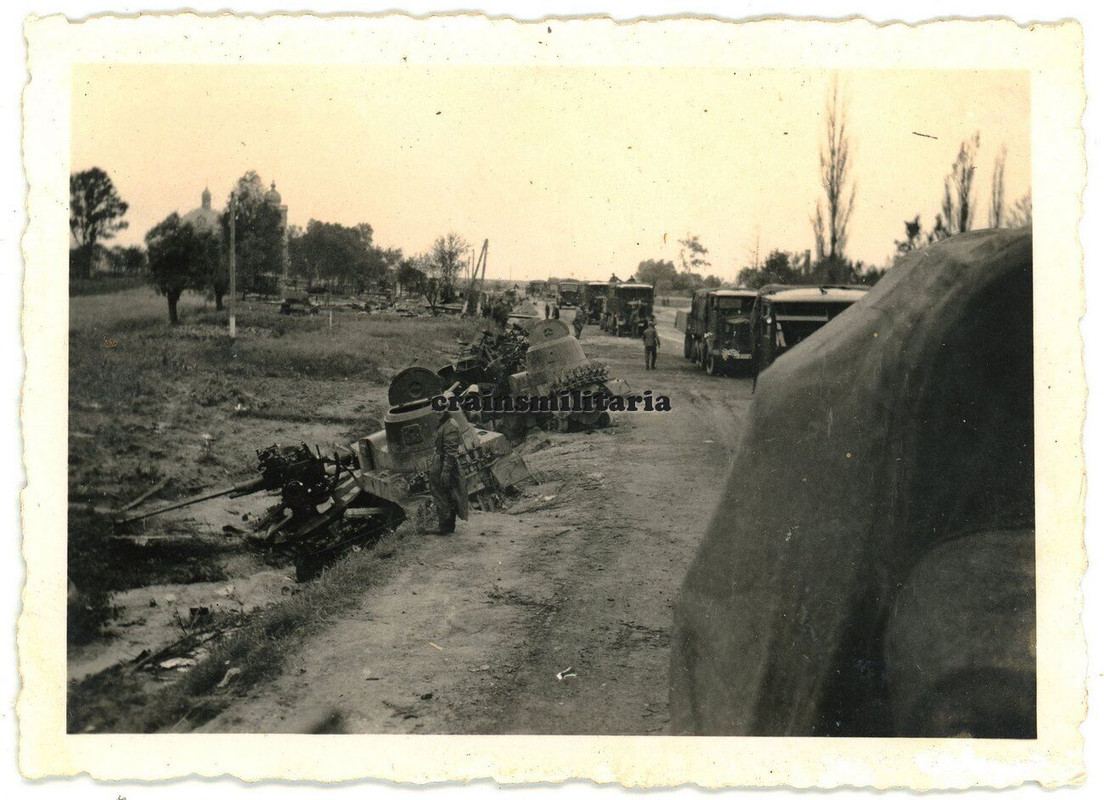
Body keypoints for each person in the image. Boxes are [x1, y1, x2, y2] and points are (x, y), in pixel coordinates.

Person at [428, 412, 469, 534]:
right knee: (443, 493)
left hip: (445, 463)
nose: (438, 412)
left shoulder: (450, 425)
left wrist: (445, 471)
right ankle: (447, 525)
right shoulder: (444, 424)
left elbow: (450, 452)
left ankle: (445, 526)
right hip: (442, 462)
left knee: (443, 493)